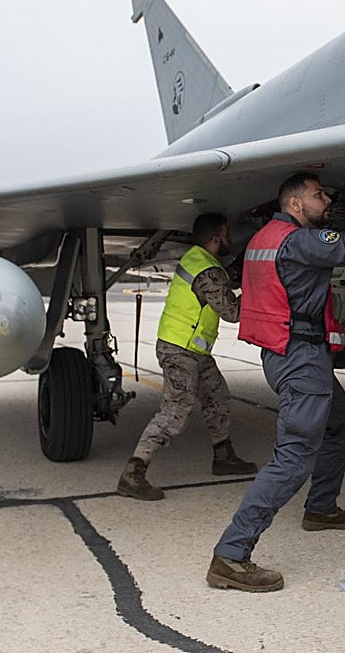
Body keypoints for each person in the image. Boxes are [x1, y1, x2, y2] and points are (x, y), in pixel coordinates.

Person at [206, 155, 345, 592]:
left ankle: (321, 508)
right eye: (319, 195)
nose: (328, 200)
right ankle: (231, 554)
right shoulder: (300, 241)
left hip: (286, 353)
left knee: (340, 420)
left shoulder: (263, 237)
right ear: (297, 204)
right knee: (295, 455)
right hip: (300, 358)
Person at [118, 212, 258, 501]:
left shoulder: (200, 260)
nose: (231, 239)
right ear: (216, 239)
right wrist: (261, 287)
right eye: (227, 235)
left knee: (217, 397)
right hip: (180, 351)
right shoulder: (207, 271)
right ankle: (133, 473)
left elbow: (220, 286)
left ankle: (223, 456)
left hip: (193, 350)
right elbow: (232, 312)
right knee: (175, 412)